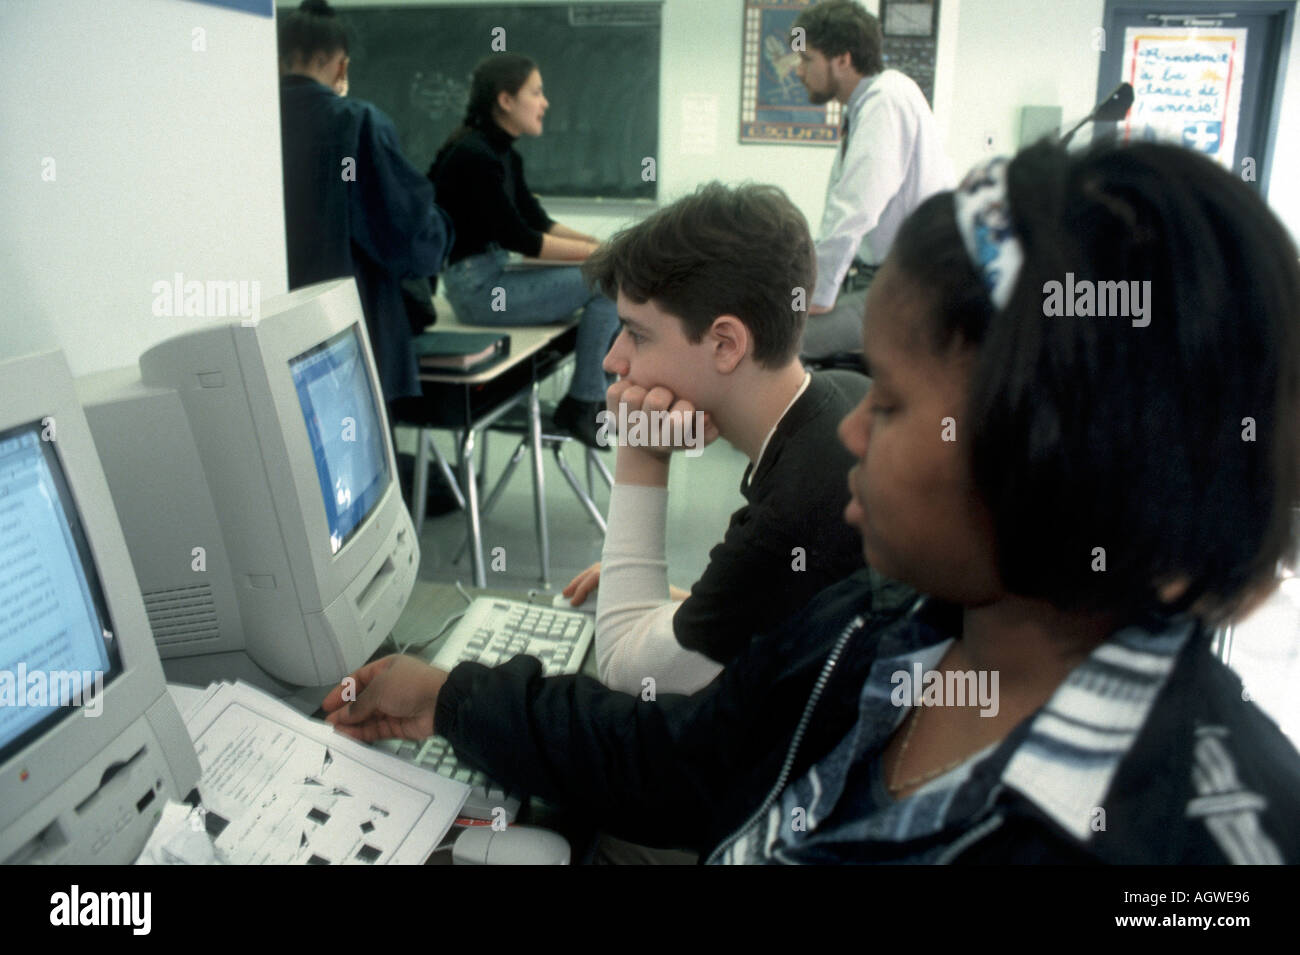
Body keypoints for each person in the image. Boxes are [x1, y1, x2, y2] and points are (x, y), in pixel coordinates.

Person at [323, 139, 1300, 864]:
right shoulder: (892, 626)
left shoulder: (1192, 850)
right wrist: (449, 694)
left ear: (1052, 455)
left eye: (892, 400)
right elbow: (684, 760)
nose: (851, 432)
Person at [556, 182, 867, 695]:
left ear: (725, 344)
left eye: (637, 332)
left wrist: (643, 452)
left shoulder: (792, 518)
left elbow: (627, 672)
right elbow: (774, 614)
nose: (613, 361)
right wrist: (697, 610)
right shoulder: (845, 397)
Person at [429, 54, 619, 448]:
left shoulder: (502, 153)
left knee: (614, 277)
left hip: (490, 275)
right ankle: (585, 402)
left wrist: (603, 248)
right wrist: (606, 260)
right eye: (536, 92)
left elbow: (539, 221)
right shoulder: (474, 155)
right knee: (610, 282)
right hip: (479, 291)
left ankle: (592, 398)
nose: (545, 102)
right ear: (505, 100)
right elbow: (524, 240)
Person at [277, 0, 451, 405]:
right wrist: (442, 230)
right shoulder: (356, 123)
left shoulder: (248, 121)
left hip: (271, 333)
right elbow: (408, 236)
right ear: (341, 67)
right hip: (348, 333)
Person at [792, 0, 952, 358]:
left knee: (780, 345)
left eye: (807, 59)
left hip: (910, 289)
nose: (799, 71)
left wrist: (816, 296)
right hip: (883, 278)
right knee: (777, 325)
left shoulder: (885, 101)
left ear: (842, 60)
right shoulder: (872, 102)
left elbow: (855, 209)